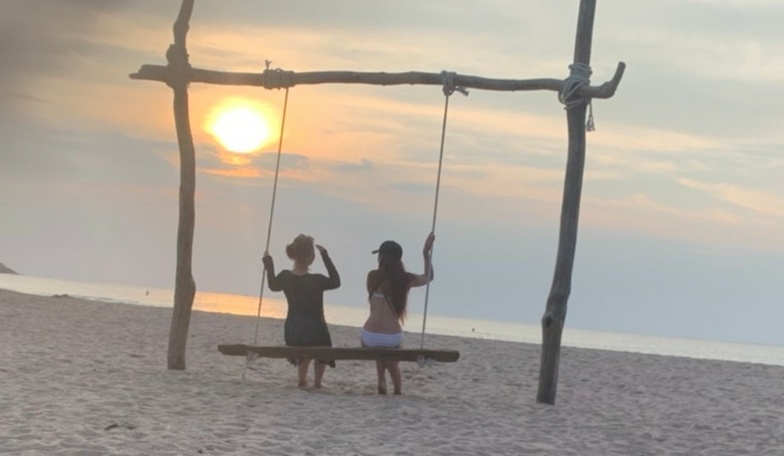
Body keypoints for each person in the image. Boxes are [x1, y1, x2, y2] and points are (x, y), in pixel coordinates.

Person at [262, 234, 340, 388]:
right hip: (316, 330)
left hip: (294, 329)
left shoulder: (285, 277)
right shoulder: (317, 280)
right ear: (310, 257)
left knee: (307, 333)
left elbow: (272, 285)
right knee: (322, 341)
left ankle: (302, 379)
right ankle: (317, 382)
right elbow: (336, 282)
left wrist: (268, 262)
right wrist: (325, 256)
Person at [362, 232, 435, 395]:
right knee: (389, 353)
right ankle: (397, 388)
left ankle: (381, 379)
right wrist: (425, 253)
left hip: (369, 335)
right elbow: (428, 277)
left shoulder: (372, 277)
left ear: (381, 257)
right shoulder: (405, 280)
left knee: (380, 349)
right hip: (391, 337)